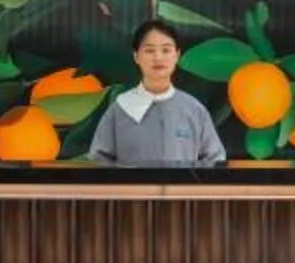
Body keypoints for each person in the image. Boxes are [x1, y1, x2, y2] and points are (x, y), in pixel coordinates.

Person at [87, 18, 227, 165]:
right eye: (149, 50)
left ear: (177, 55)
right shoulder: (120, 108)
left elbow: (215, 159)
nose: (158, 57)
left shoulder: (193, 109)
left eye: (166, 50)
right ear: (136, 56)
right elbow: (98, 160)